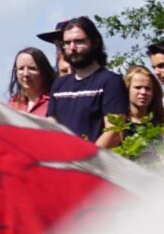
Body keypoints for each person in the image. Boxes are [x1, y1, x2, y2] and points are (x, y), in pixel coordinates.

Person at [41, 16, 127, 149]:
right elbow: (51, 126)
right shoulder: (59, 85)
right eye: (67, 43)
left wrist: (86, 160)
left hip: (96, 165)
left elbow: (115, 132)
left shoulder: (110, 82)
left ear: (95, 42)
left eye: (79, 41)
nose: (72, 47)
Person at [119, 65, 164, 148]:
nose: (143, 92)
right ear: (127, 89)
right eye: (138, 87)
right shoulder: (118, 126)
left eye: (148, 88)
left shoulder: (162, 123)